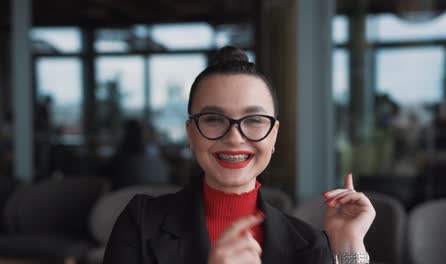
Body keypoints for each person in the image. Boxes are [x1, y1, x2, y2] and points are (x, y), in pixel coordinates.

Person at [103, 46, 375, 264]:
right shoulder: (141, 222)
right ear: (191, 132)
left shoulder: (309, 244)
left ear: (274, 135)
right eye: (213, 119)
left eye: (254, 120)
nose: (234, 137)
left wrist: (348, 244)